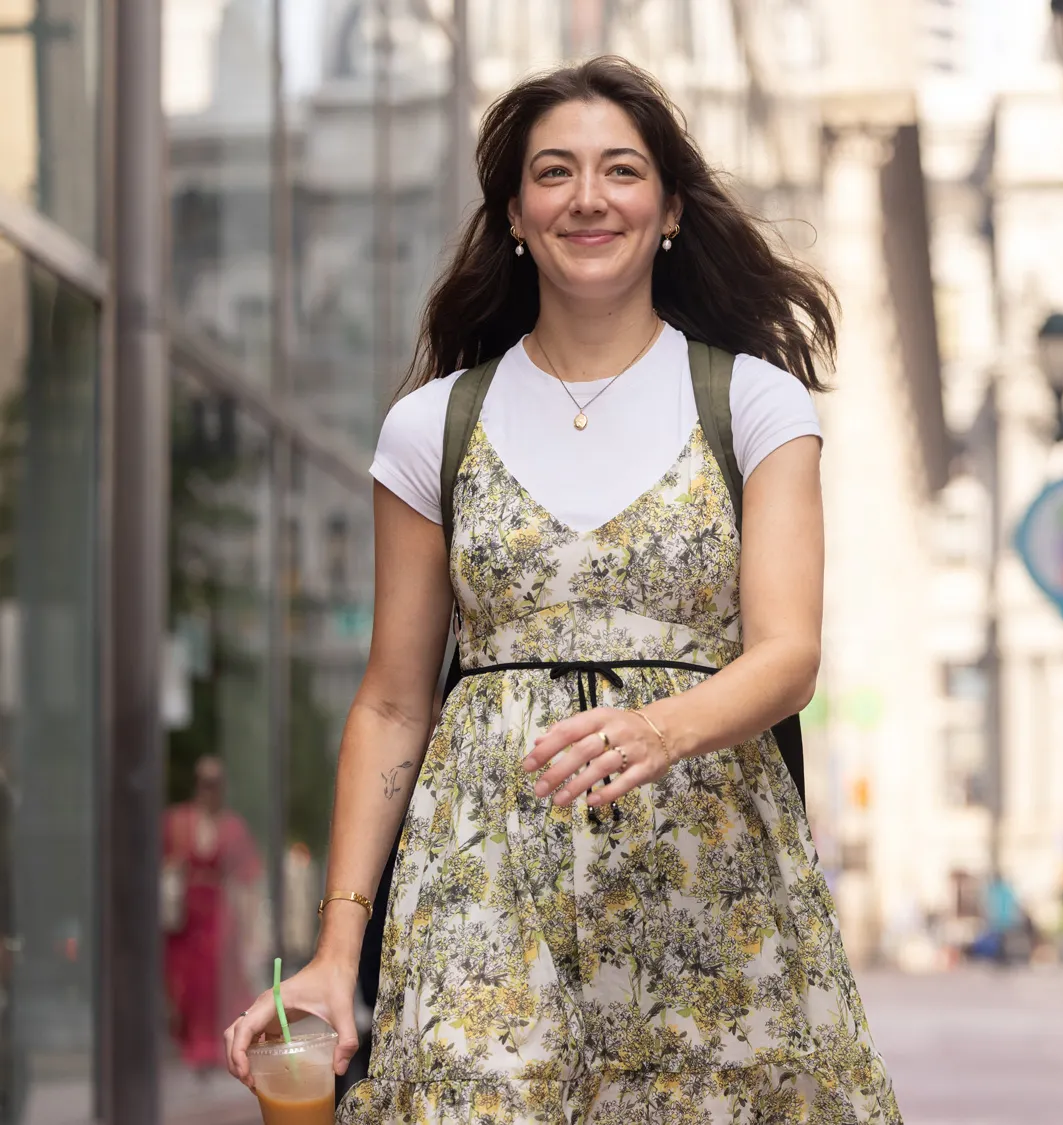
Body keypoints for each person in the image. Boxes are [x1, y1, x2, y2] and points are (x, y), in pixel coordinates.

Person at [225, 57, 901, 1123]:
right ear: (513, 215)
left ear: (669, 209)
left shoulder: (755, 403)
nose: (589, 197)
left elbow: (786, 653)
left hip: (705, 868)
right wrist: (332, 951)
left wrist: (663, 729)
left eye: (621, 170)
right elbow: (395, 701)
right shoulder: (430, 426)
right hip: (482, 873)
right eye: (555, 173)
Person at [166, 755, 260, 1075]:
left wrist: (251, 929)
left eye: (215, 784)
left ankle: (213, 1046)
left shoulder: (232, 826)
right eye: (205, 783)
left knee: (217, 979)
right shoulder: (179, 821)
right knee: (187, 982)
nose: (210, 790)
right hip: (186, 914)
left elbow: (248, 877)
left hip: (218, 914)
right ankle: (193, 1046)